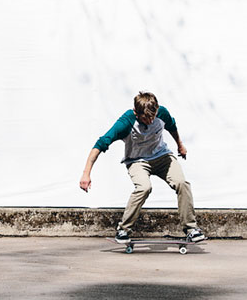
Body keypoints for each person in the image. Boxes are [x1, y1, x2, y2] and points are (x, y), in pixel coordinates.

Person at [80, 91, 207, 244]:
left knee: (182, 183)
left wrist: (180, 145)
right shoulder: (126, 122)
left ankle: (191, 229)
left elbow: (172, 127)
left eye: (152, 117)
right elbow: (100, 144)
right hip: (137, 161)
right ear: (136, 113)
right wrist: (86, 174)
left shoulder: (162, 113)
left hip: (162, 157)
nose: (150, 120)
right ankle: (123, 230)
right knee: (144, 188)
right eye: (146, 118)